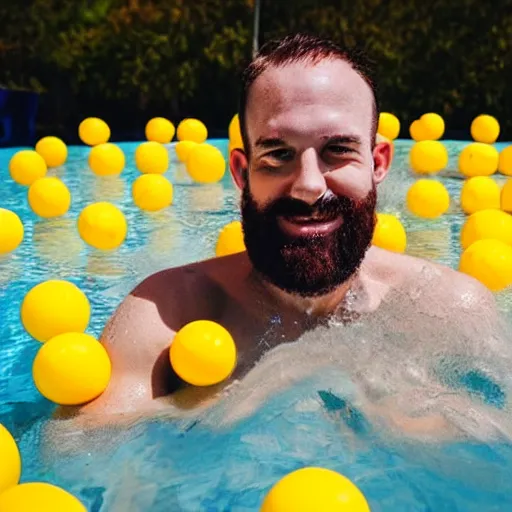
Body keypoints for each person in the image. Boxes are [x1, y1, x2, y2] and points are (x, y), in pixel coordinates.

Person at [71, 33, 509, 437]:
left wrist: (410, 420)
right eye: (278, 154)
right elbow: (79, 454)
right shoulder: (166, 314)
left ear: (378, 164)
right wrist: (241, 399)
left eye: (337, 150)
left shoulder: (448, 309)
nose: (309, 185)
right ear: (242, 172)